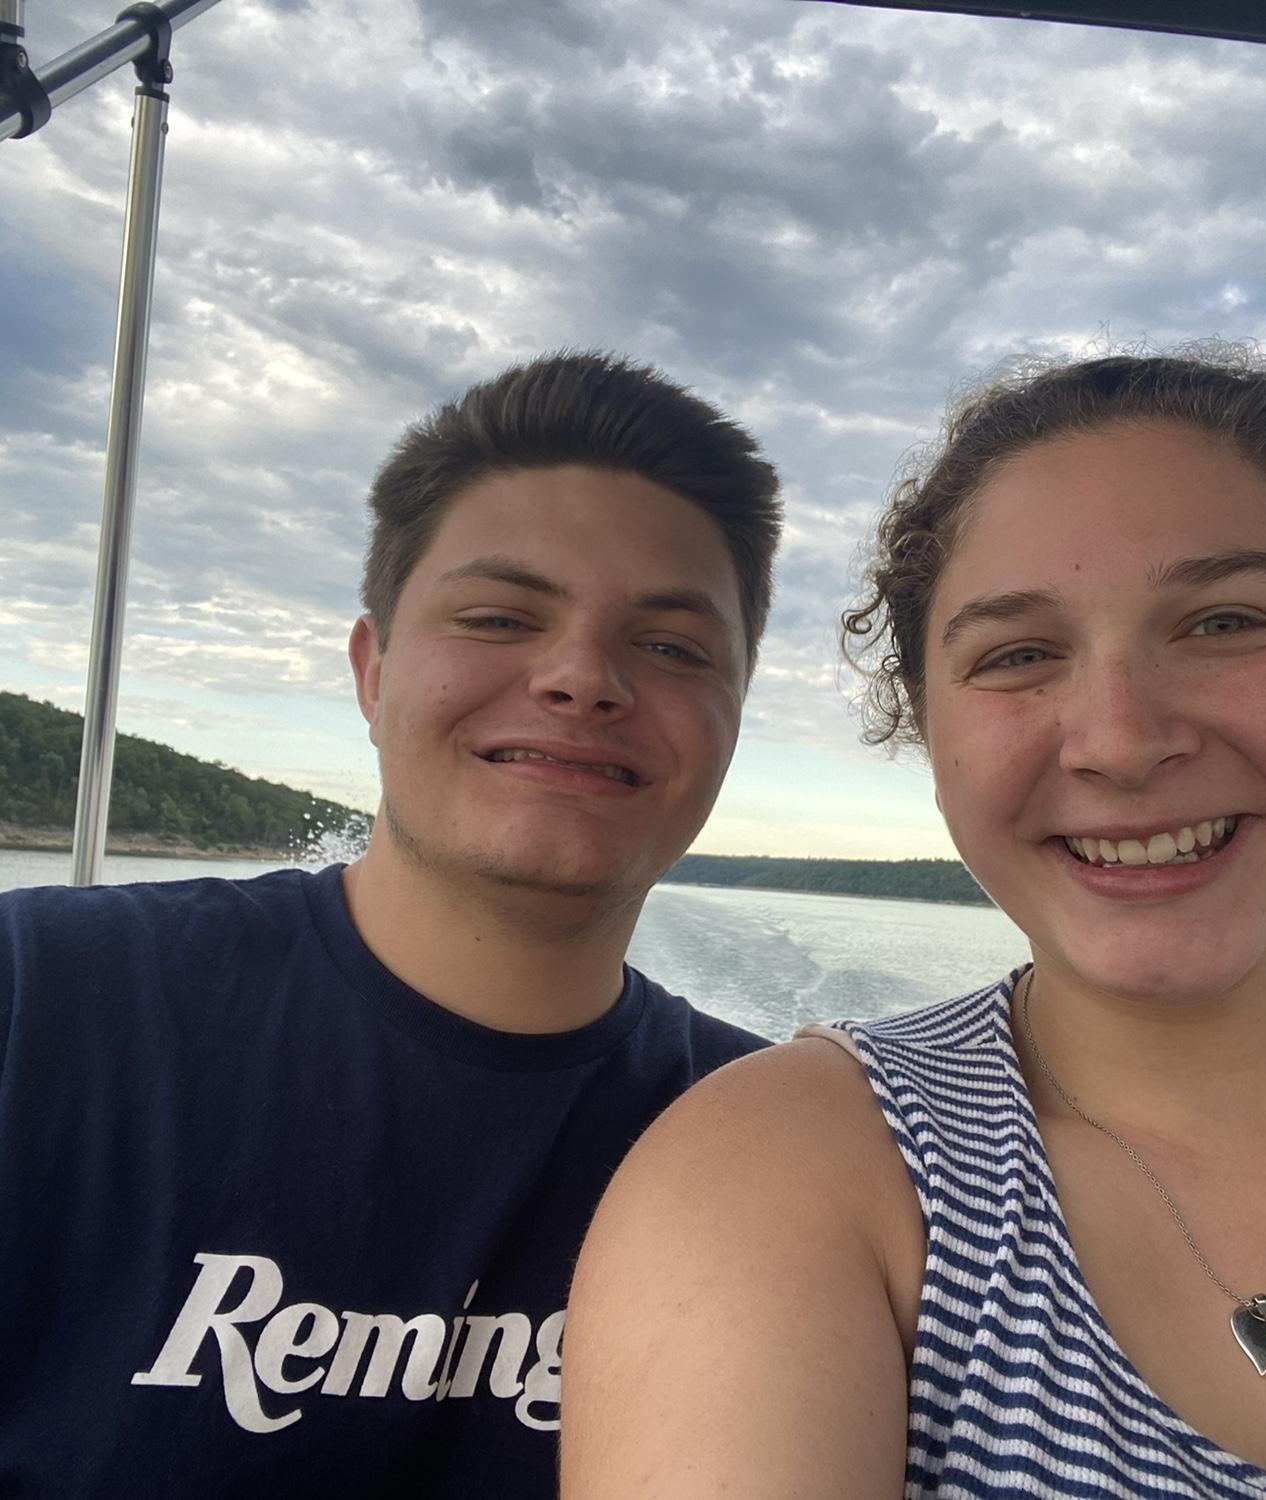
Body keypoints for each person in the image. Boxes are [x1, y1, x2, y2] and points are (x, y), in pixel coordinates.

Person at [562, 346, 1266, 1497]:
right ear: (930, 733)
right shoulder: (778, 1182)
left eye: (1223, 623)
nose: (1120, 740)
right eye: (1018, 655)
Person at [0, 351, 782, 1497]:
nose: (582, 678)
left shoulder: (776, 1151)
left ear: (733, 714)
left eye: (671, 646)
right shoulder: (41, 1004)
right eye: (500, 617)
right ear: (373, 673)